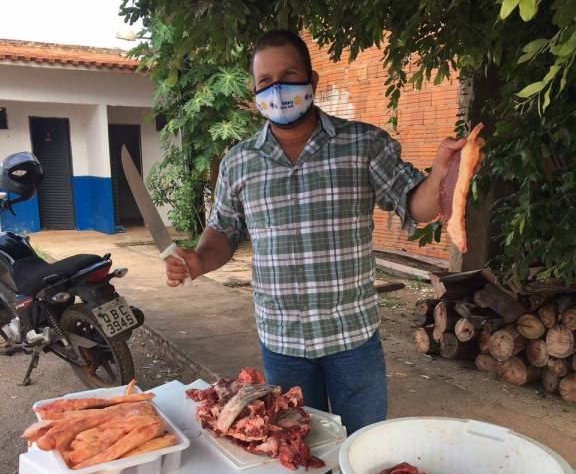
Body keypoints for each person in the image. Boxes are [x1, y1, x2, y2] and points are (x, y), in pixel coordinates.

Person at [165, 29, 484, 437]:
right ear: (255, 91)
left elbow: (415, 204)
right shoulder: (238, 163)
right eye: (265, 81)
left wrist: (440, 175)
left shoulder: (363, 144)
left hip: (352, 340)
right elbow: (222, 234)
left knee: (362, 449)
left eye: (288, 76)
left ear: (311, 80)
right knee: (299, 452)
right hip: (282, 342)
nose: (277, 89)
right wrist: (197, 259)